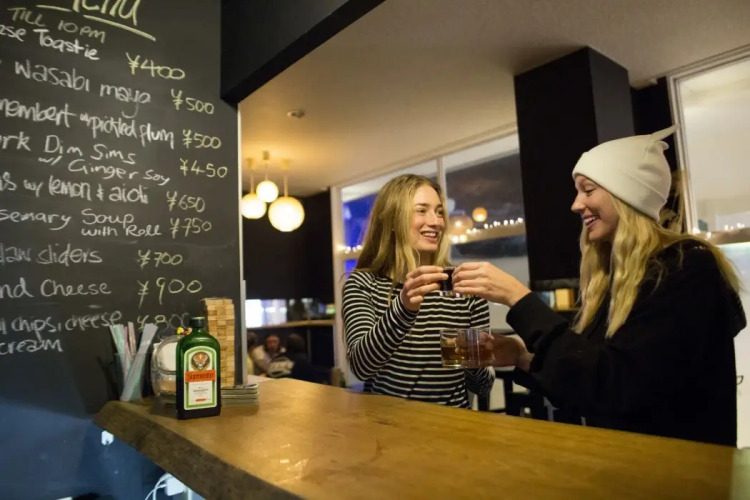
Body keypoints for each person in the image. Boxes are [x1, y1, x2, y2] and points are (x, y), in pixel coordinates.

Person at [453, 125, 746, 446]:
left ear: (626, 194)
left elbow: (618, 388)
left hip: (678, 470)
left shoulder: (685, 268)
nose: (576, 204)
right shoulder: (617, 278)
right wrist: (522, 356)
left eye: (588, 190)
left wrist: (518, 298)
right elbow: (590, 384)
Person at [343, 174, 494, 407]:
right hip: (387, 424)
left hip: (451, 424)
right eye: (422, 211)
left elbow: (482, 386)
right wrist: (403, 307)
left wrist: (471, 355)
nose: (436, 222)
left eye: (439, 212)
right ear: (393, 220)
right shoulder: (364, 284)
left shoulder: (463, 287)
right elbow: (361, 367)